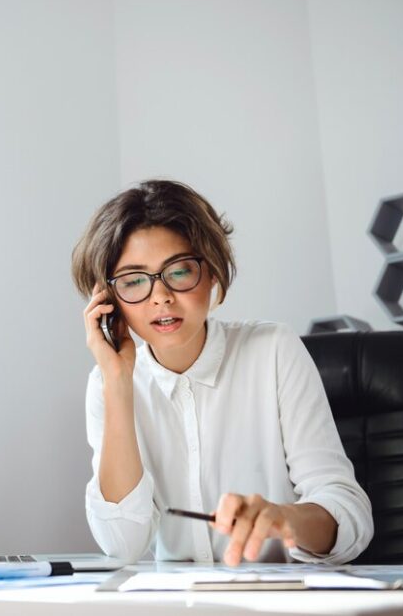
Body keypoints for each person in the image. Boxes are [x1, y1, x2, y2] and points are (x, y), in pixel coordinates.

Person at [70, 179, 373, 566]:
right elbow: (122, 544)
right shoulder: (106, 384)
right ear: (110, 301)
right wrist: (117, 382)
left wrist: (286, 520)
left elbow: (350, 516)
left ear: (212, 272)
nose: (160, 296)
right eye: (133, 282)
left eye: (178, 272)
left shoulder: (273, 350)